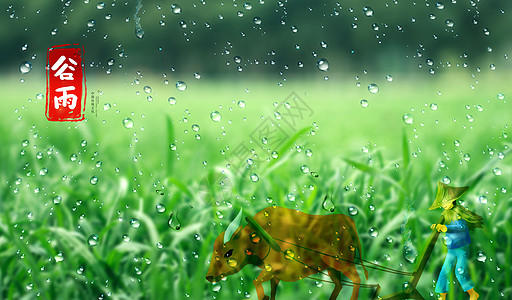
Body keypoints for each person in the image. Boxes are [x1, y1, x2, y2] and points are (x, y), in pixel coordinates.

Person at [429, 181, 483, 300]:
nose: (443, 205)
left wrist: (446, 228)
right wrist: (436, 226)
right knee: (444, 271)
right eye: (442, 203)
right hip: (451, 248)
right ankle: (442, 296)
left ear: (452, 200)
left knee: (460, 272)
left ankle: (473, 293)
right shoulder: (446, 213)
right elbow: (442, 224)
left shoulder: (458, 211)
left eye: (445, 202)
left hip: (461, 248)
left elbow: (462, 227)